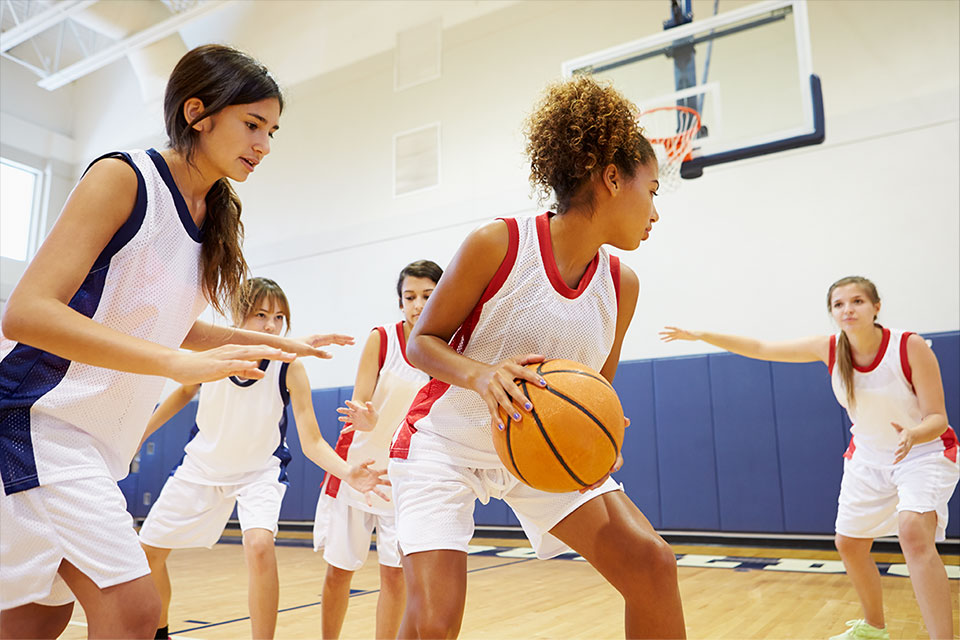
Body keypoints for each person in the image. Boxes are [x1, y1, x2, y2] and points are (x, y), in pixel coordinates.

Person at [0, 45, 342, 639]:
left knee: (36, 619)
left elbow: (165, 323)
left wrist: (274, 344)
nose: (264, 145)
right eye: (252, 125)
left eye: (272, 131)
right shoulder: (123, 177)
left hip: (96, 442)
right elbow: (26, 314)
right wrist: (174, 361)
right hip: (39, 422)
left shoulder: (211, 214)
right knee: (133, 611)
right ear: (197, 113)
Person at [387, 76, 686, 639]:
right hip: (446, 444)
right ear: (613, 177)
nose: (654, 211)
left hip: (536, 447)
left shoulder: (622, 286)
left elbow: (595, 384)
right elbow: (420, 343)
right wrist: (481, 374)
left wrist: (599, 433)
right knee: (433, 622)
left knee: (652, 565)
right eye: (652, 190)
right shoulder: (498, 244)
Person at [660, 275, 958, 640]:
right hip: (867, 458)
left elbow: (938, 418)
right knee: (848, 544)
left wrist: (913, 434)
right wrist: (703, 335)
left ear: (876, 307)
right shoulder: (830, 348)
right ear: (832, 312)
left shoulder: (908, 346)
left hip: (923, 453)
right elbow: (761, 346)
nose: (848, 309)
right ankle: (874, 629)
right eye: (839, 304)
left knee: (913, 532)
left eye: (857, 301)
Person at [139, 277, 387, 640]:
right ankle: (160, 632)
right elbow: (181, 393)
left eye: (278, 318)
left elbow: (313, 441)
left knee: (259, 544)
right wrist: (141, 434)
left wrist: (349, 472)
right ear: (239, 316)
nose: (271, 326)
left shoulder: (291, 368)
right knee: (148, 554)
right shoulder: (215, 352)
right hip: (202, 466)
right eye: (260, 315)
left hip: (259, 472)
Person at [314, 259, 443, 640]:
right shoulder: (382, 338)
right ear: (400, 301)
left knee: (395, 576)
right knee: (339, 571)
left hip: (403, 477)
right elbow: (360, 404)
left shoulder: (447, 347)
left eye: (427, 296)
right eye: (410, 297)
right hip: (359, 468)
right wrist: (365, 419)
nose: (417, 304)